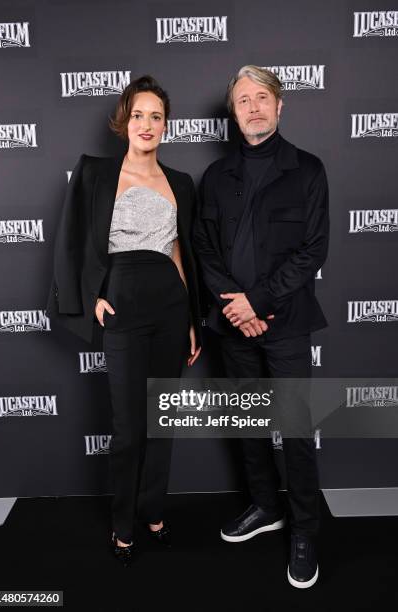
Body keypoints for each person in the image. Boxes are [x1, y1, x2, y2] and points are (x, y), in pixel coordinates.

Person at [47, 75, 202, 566]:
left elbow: (181, 249)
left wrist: (194, 318)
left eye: (157, 116)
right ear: (124, 121)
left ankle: (154, 512)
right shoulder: (94, 174)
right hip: (123, 305)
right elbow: (70, 241)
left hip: (171, 307)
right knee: (129, 426)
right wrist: (92, 296)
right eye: (139, 114)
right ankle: (122, 524)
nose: (147, 124)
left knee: (161, 423)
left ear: (165, 126)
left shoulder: (181, 183)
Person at [193, 65, 329, 588]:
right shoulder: (216, 177)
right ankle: (265, 507)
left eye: (262, 98)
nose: (253, 107)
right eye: (243, 99)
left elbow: (312, 250)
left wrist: (257, 301)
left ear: (280, 105)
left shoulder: (308, 170)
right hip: (233, 325)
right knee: (249, 425)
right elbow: (204, 247)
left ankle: (304, 531)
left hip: (287, 322)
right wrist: (235, 306)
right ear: (233, 111)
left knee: (294, 429)